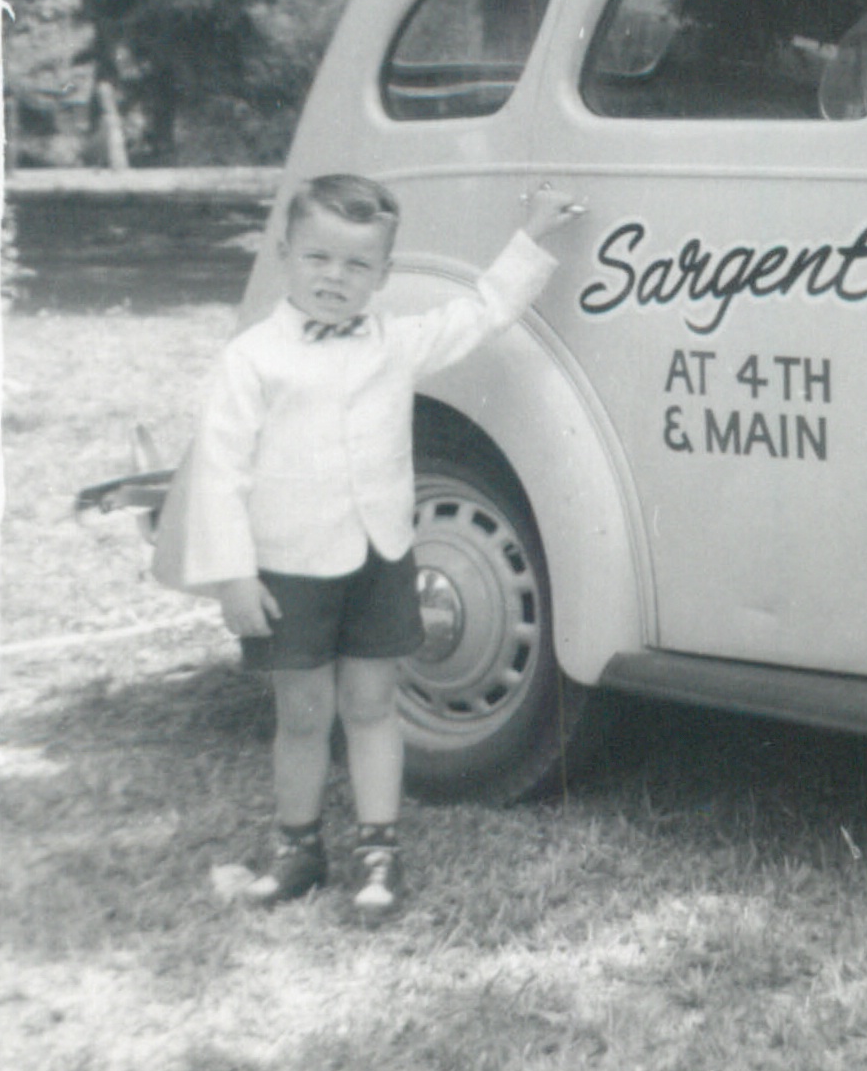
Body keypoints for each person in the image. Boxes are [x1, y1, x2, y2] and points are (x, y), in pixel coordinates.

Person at [170, 172, 585, 924]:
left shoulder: (392, 342)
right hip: (288, 569)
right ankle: (297, 850)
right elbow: (219, 473)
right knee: (302, 714)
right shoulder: (253, 359)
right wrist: (231, 574)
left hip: (381, 559)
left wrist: (536, 238)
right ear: (285, 253)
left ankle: (378, 852)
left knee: (371, 704)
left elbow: (480, 313)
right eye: (319, 258)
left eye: (358, 265)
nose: (336, 277)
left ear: (383, 276)